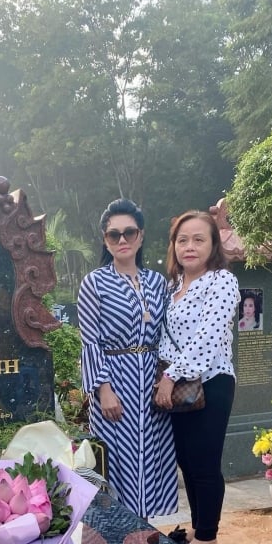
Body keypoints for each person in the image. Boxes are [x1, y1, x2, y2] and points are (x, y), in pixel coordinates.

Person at [77, 198, 178, 519]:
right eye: (113, 235)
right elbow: (90, 341)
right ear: (105, 240)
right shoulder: (95, 283)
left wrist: (167, 379)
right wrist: (103, 390)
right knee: (116, 458)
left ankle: (146, 532)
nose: (122, 240)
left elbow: (169, 336)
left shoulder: (158, 282)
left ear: (141, 237)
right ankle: (116, 536)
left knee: (153, 455)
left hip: (152, 382)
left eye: (129, 233)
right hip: (114, 381)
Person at [154, 210, 240, 544]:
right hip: (179, 385)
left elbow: (209, 337)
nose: (189, 247)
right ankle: (198, 529)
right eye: (182, 240)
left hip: (211, 382)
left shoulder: (221, 281)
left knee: (204, 463)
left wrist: (171, 376)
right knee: (187, 462)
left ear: (213, 245)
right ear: (173, 246)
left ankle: (208, 541)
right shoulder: (173, 288)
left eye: (198, 239)